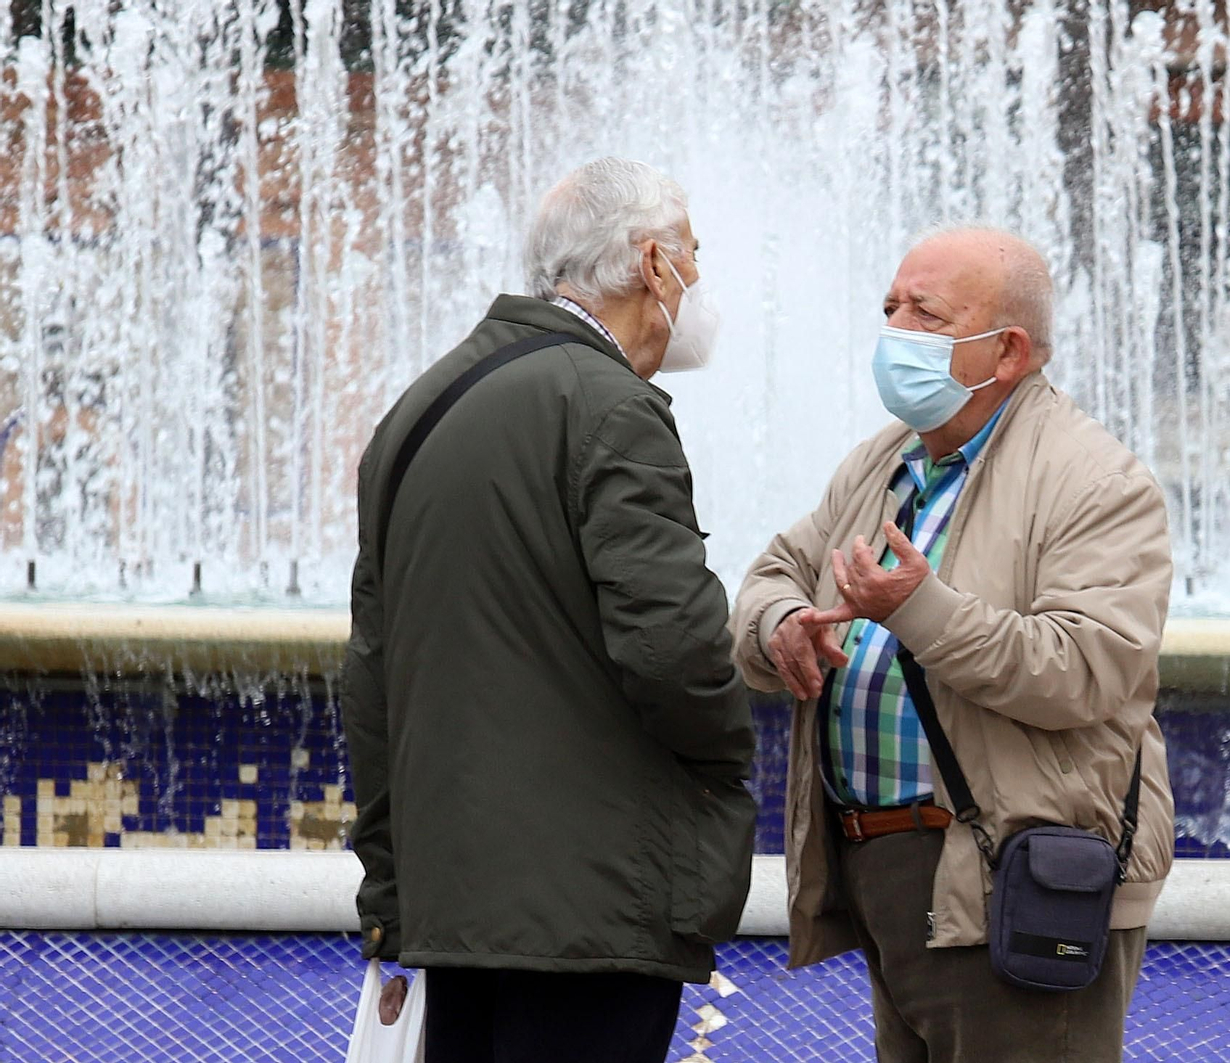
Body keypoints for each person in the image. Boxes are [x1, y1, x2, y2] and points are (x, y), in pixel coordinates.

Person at [343, 157, 756, 1063]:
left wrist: (393, 895)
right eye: (694, 255)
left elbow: (371, 678)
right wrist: (733, 760)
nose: (700, 280)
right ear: (653, 265)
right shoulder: (610, 406)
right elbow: (674, 649)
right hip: (591, 910)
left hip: (457, 913)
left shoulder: (418, 409)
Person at [730, 227, 1175, 1062]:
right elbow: (775, 570)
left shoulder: (1097, 479)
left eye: (923, 313)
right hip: (887, 870)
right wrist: (776, 624)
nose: (893, 329)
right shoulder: (887, 462)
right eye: (890, 308)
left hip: (1007, 877)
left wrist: (920, 611)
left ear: (1006, 351)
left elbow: (1085, 669)